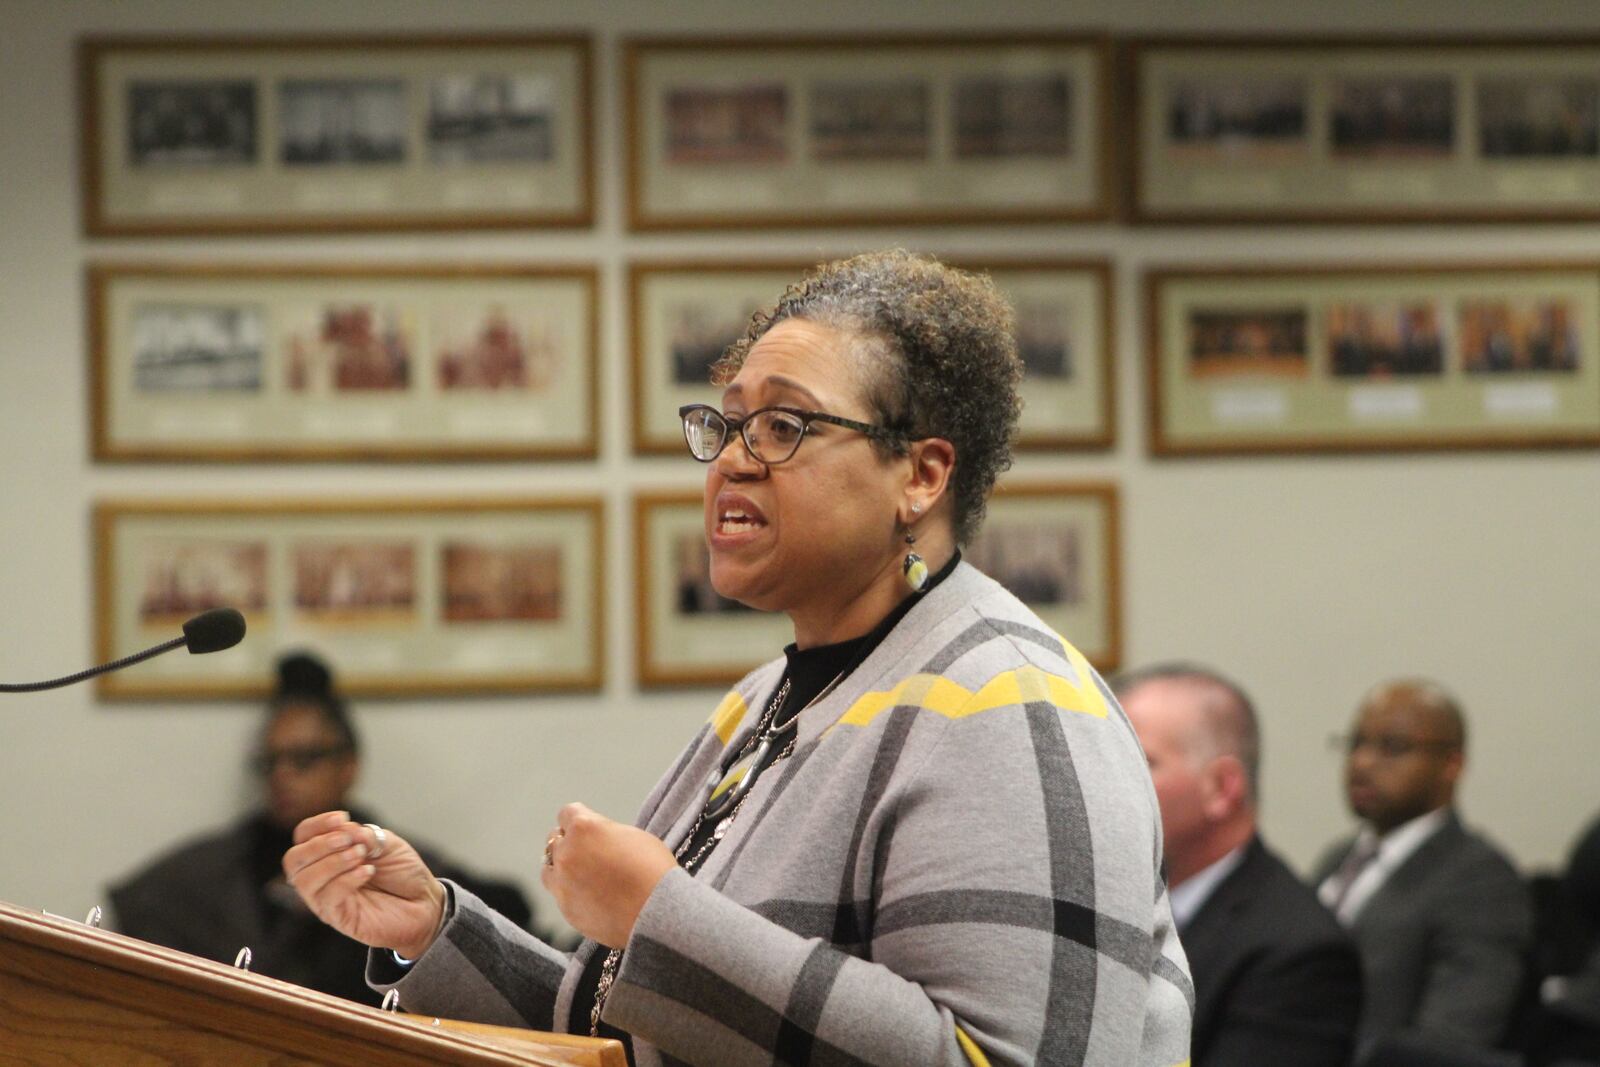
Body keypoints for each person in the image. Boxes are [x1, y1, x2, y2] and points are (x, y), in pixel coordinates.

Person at [282, 251, 1194, 1066]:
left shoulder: (1010, 702)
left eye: (786, 427)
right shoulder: (762, 700)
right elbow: (647, 1034)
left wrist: (659, 915)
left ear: (920, 475)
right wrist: (440, 930)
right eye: (727, 425)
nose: (733, 463)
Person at [110, 651, 541, 1005]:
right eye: (270, 762)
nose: (283, 776)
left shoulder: (400, 862)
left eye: (304, 759)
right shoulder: (208, 872)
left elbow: (498, 925)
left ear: (348, 765)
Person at [1114, 663, 1361, 1067]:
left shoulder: (1299, 953)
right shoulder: (1122, 898)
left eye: (1142, 761)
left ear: (1222, 789)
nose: (1112, 781)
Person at [1312, 678, 1531, 1057]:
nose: (1362, 762)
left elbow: (1449, 1043)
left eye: (1392, 747)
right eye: (1356, 743)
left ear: (1452, 764)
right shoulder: (1339, 858)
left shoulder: (1481, 882)